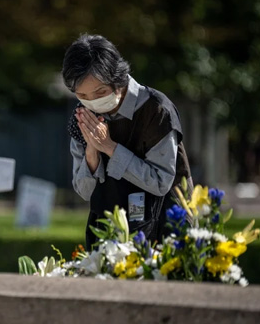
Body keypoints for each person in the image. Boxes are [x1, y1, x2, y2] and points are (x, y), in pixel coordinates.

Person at [62, 34, 193, 249]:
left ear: (118, 78)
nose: (93, 102)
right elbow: (84, 190)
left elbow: (161, 182)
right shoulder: (82, 116)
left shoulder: (156, 110)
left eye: (100, 92)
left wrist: (110, 148)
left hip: (165, 231)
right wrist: (92, 153)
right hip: (108, 234)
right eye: (83, 96)